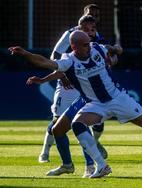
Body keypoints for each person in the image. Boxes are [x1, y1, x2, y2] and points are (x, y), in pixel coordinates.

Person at [9, 30, 142, 178]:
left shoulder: (97, 48)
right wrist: (25, 54)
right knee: (77, 125)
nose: (88, 48)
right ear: (73, 47)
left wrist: (116, 49)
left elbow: (110, 48)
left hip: (119, 98)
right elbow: (44, 62)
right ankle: (101, 166)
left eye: (88, 44)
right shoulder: (68, 61)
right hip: (95, 104)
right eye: (84, 45)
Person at [29, 15, 113, 178]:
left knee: (83, 124)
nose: (90, 32)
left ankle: (90, 165)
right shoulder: (69, 37)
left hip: (85, 90)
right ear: (79, 27)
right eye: (86, 29)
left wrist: (114, 53)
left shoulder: (96, 41)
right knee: (57, 124)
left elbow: (107, 59)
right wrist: (62, 76)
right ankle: (58, 159)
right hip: (66, 86)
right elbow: (55, 56)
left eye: (92, 29)